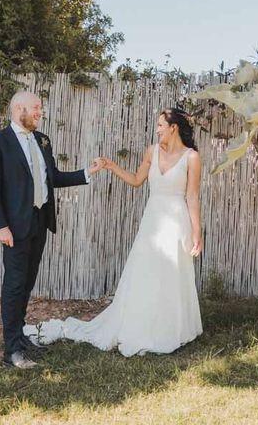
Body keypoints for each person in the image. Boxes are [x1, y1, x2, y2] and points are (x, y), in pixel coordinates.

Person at [24, 107, 203, 357]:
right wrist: (110, 166)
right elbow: (135, 180)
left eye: (162, 124)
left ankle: (170, 328)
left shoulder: (192, 157)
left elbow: (192, 196)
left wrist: (197, 233)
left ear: (174, 127)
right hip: (152, 221)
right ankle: (139, 325)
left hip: (177, 221)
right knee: (145, 272)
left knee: (170, 274)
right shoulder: (152, 151)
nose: (158, 128)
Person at [0, 91, 105, 369]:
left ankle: (20, 336)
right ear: (18, 109)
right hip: (13, 227)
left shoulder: (41, 141)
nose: (40, 112)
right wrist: (0, 225)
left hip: (39, 222)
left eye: (40, 108)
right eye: (36, 108)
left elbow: (53, 177)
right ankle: (11, 351)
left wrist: (88, 172)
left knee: (27, 283)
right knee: (14, 286)